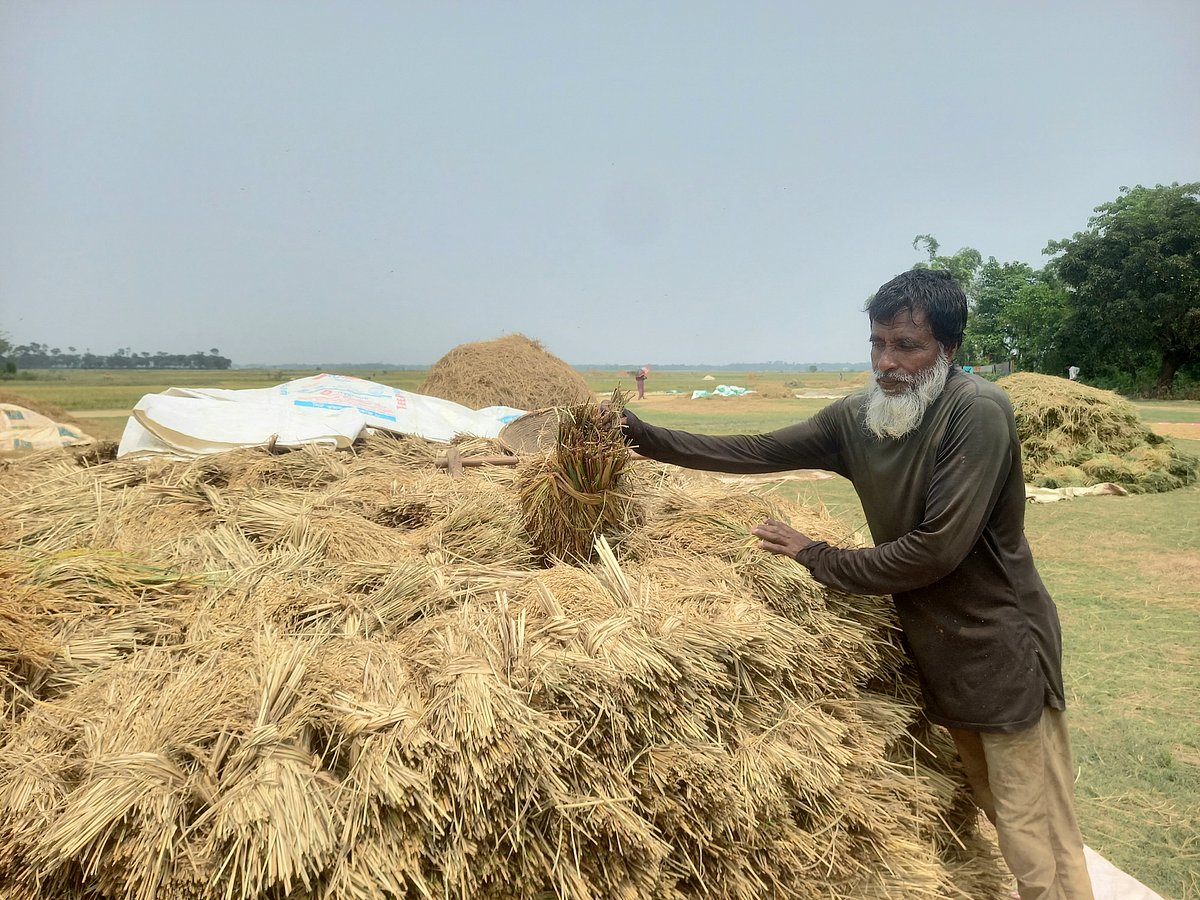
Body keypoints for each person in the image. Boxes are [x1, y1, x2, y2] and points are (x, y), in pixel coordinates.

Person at [617, 269, 1093, 900]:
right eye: (878, 343)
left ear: (949, 348)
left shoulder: (975, 410)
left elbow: (935, 551)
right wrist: (638, 434)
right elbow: (755, 450)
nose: (887, 363)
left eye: (907, 346)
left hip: (1003, 648)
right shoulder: (858, 418)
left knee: (1038, 831)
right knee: (997, 807)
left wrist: (817, 555)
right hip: (941, 646)